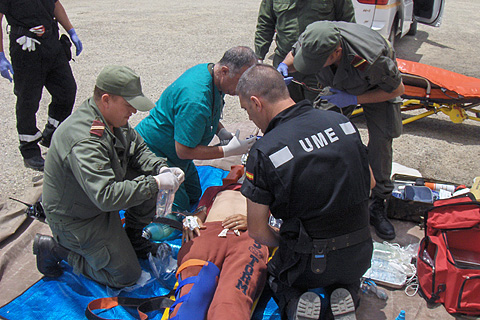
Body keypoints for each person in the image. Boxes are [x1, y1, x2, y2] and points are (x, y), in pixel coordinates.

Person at [237, 64, 374, 319]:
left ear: (256, 103)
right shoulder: (341, 122)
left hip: (310, 265)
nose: (249, 118)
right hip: (359, 252)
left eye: (246, 110)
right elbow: (371, 184)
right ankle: (348, 294)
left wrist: (287, 242)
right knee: (343, 274)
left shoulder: (265, 150)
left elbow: (257, 230)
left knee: (279, 276)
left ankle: (295, 302)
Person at [33, 65, 185, 289]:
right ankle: (57, 249)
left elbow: (137, 148)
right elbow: (105, 196)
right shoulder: (84, 139)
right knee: (125, 275)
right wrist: (154, 183)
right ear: (106, 99)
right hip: (77, 218)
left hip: (95, 203)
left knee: (149, 176)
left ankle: (134, 239)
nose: (133, 111)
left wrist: (160, 170)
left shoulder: (112, 119)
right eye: (128, 105)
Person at [280, 21, 405, 240]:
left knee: (381, 141)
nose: (314, 66)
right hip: (340, 84)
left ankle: (377, 203)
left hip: (377, 89)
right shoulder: (315, 37)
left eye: (318, 62)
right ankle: (320, 189)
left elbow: (397, 89)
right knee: (316, 130)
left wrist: (354, 99)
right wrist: (283, 66)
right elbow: (294, 55)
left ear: (336, 52)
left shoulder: (371, 58)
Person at [135, 46, 257, 213]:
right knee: (176, 211)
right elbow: (184, 151)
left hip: (175, 154)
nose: (243, 88)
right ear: (224, 70)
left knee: (195, 195)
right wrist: (226, 151)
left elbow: (211, 112)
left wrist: (221, 131)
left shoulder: (212, 74)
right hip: (154, 152)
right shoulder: (196, 100)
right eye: (240, 81)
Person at [0, 0, 83, 171]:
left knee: (67, 90)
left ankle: (52, 134)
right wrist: (0, 55)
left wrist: (71, 31)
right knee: (28, 100)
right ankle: (29, 149)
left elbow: (55, 4)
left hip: (52, 43)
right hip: (26, 47)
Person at [169, 183, 268, 320]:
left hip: (248, 239)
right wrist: (192, 220)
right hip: (206, 234)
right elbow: (199, 213)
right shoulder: (215, 190)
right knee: (191, 303)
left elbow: (280, 231)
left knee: (230, 303)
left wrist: (255, 223)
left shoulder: (272, 194)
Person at [254, 0, 355, 102]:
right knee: (284, 108)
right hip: (285, 64)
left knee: (318, 110)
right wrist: (259, 57)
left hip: (320, 66)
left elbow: (347, 26)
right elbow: (265, 23)